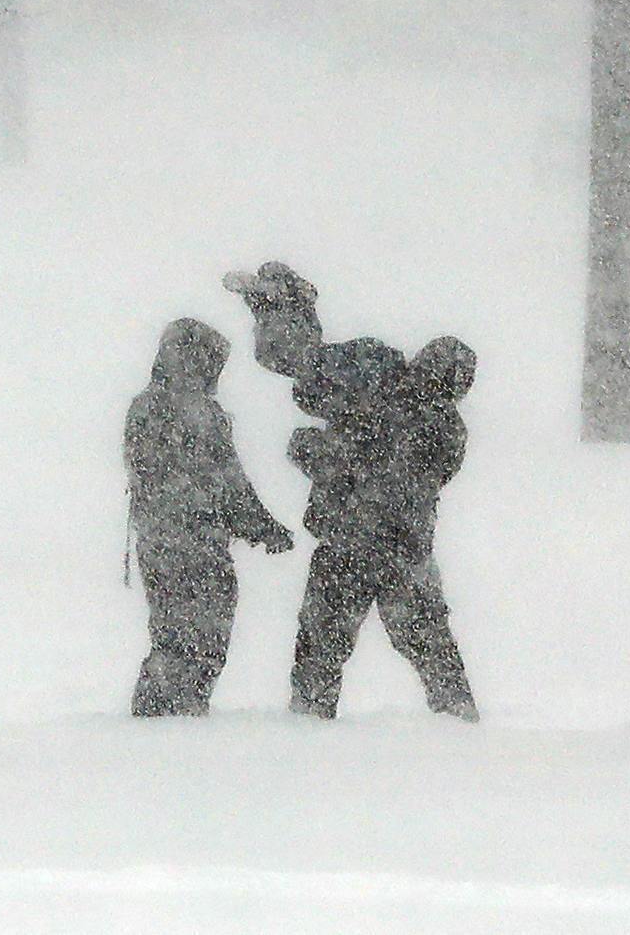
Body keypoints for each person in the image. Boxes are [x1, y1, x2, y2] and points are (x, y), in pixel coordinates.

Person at [224, 260, 480, 720]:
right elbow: (310, 375)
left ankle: (310, 726)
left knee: (326, 648)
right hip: (399, 550)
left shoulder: (396, 397)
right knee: (424, 645)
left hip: (355, 545)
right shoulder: (435, 421)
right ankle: (459, 723)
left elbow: (371, 464)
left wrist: (320, 450)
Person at [124, 317, 294, 715]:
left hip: (157, 544)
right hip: (197, 546)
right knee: (204, 634)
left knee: (170, 634)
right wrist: (263, 528)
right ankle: (180, 713)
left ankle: (155, 718)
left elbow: (164, 477)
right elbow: (227, 483)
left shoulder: (144, 407)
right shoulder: (202, 415)